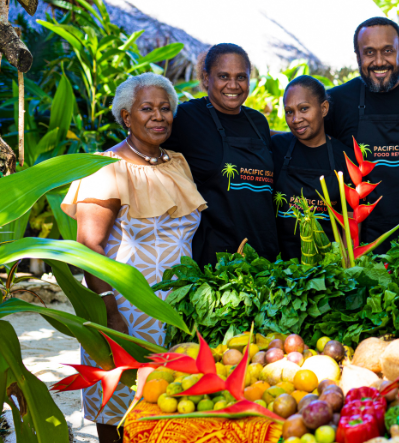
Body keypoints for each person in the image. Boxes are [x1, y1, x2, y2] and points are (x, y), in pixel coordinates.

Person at [62, 73, 206, 443]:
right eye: (147, 108)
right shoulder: (105, 167)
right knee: (120, 409)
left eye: (165, 108)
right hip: (126, 313)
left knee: (170, 412)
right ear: (126, 117)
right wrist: (110, 313)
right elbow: (89, 247)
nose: (159, 116)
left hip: (176, 313)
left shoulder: (177, 162)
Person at [324, 17, 399, 251]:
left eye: (388, 51)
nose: (379, 61)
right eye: (369, 52)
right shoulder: (337, 102)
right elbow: (303, 139)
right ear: (357, 55)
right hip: (362, 247)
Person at [162, 44, 278, 266]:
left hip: (265, 254)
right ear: (206, 79)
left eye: (241, 77)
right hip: (216, 260)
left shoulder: (258, 122)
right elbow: (145, 140)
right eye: (223, 76)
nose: (233, 85)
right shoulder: (186, 117)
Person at [272, 76, 351, 260]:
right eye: (289, 112)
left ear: (323, 109)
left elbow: (352, 222)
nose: (296, 119)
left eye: (304, 109)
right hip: (281, 268)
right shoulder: (276, 148)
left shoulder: (345, 157)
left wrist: (346, 269)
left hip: (329, 272)